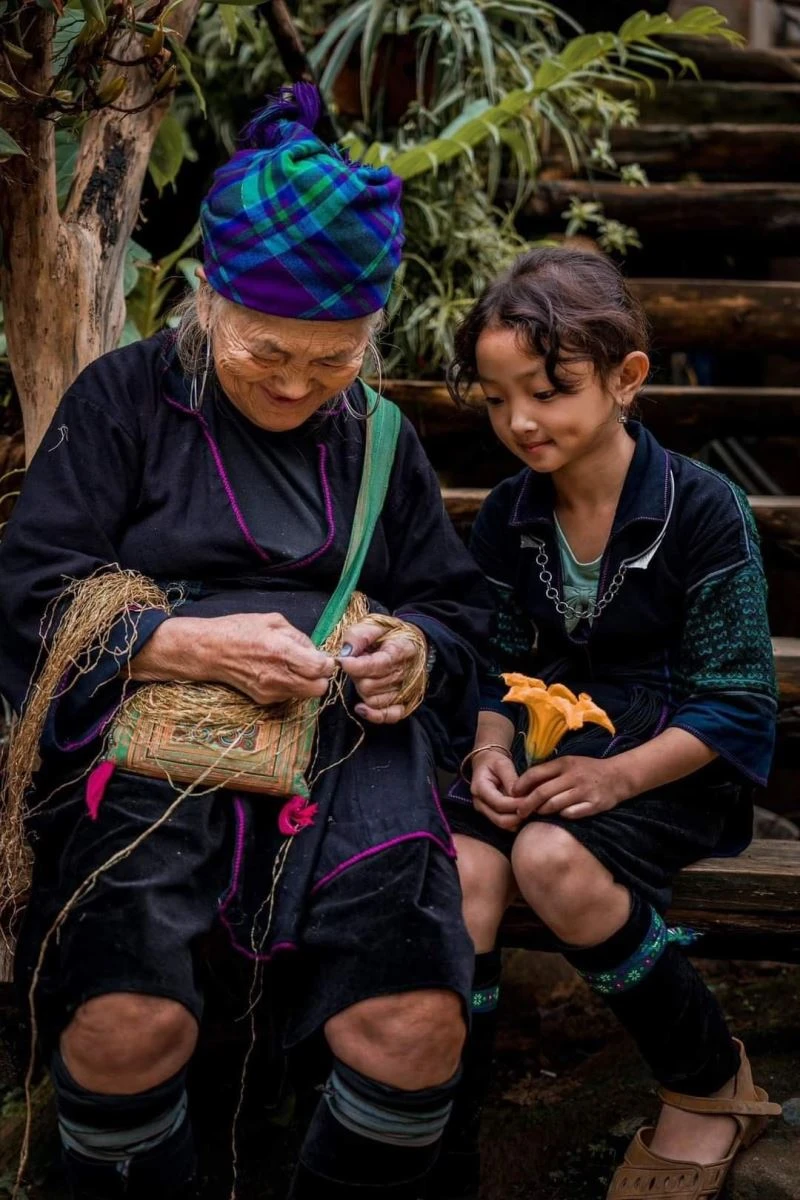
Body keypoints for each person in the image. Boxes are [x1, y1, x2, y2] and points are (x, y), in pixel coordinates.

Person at [0, 84, 491, 1200]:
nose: (294, 382)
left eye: (333, 362)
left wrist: (414, 651)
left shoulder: (379, 440)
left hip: (349, 752)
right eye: (267, 349)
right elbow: (31, 590)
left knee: (412, 1025)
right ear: (206, 298)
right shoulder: (123, 403)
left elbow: (454, 610)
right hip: (146, 751)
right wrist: (183, 643)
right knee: (124, 1025)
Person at [435, 247, 780, 1200]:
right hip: (547, 761)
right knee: (466, 868)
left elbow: (738, 698)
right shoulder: (508, 514)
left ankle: (708, 1084)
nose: (521, 422)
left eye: (549, 391)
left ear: (628, 378)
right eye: (498, 399)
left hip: (669, 764)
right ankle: (442, 1133)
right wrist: (487, 752)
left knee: (548, 859)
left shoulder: (703, 508)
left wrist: (619, 776)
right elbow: (498, 668)